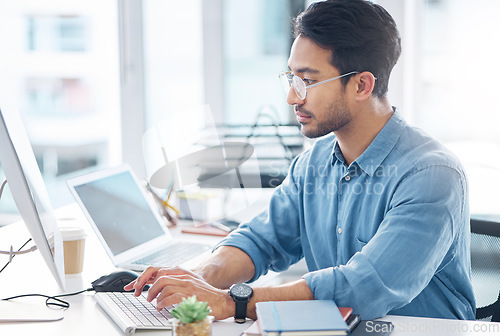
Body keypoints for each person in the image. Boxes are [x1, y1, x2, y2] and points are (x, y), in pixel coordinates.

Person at [125, 0, 476, 321]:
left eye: (307, 80)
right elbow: (261, 240)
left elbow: (362, 289)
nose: (293, 95)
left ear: (361, 86)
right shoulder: (314, 164)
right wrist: (198, 277)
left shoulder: (431, 175)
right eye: (292, 77)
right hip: (337, 327)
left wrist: (231, 301)